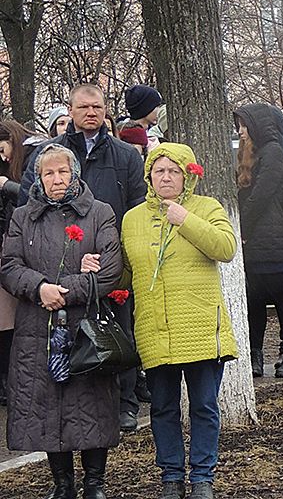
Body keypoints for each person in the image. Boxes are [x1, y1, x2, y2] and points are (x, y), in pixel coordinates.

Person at [19, 83, 147, 433]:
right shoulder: (50, 154)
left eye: (97, 107)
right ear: (70, 111)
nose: (91, 113)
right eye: (83, 107)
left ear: (105, 111)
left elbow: (137, 209)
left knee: (118, 331)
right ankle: (76, 405)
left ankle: (126, 404)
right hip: (56, 262)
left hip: (109, 262)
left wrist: (111, 253)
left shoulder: (125, 155)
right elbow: (28, 208)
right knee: (71, 338)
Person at [0, 144, 123, 499]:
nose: (57, 179)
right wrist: (39, 287)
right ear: (38, 178)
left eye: (63, 172)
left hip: (85, 328)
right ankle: (62, 483)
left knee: (91, 403)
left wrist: (63, 290)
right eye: (49, 173)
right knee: (48, 404)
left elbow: (110, 270)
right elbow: (9, 266)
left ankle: (95, 483)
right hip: (38, 328)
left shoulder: (99, 213)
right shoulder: (23, 217)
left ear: (75, 174)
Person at [118, 142, 238, 499]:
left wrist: (185, 219)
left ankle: (202, 477)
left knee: (203, 406)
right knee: (162, 407)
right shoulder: (132, 218)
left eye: (173, 170)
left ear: (186, 175)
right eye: (159, 171)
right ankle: (171, 475)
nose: (166, 176)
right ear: (149, 177)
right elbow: (126, 273)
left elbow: (225, 248)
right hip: (155, 328)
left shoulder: (207, 208)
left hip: (201, 327)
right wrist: (98, 270)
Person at [234, 103, 283, 378]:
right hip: (256, 243)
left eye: (244, 125)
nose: (240, 131)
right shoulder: (249, 153)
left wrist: (241, 225)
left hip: (274, 241)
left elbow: (261, 194)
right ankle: (256, 355)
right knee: (255, 301)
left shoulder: (273, 151)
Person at [0, 120, 40, 406]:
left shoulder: (34, 154)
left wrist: (7, 186)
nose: (3, 157)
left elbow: (31, 198)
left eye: (2, 148)